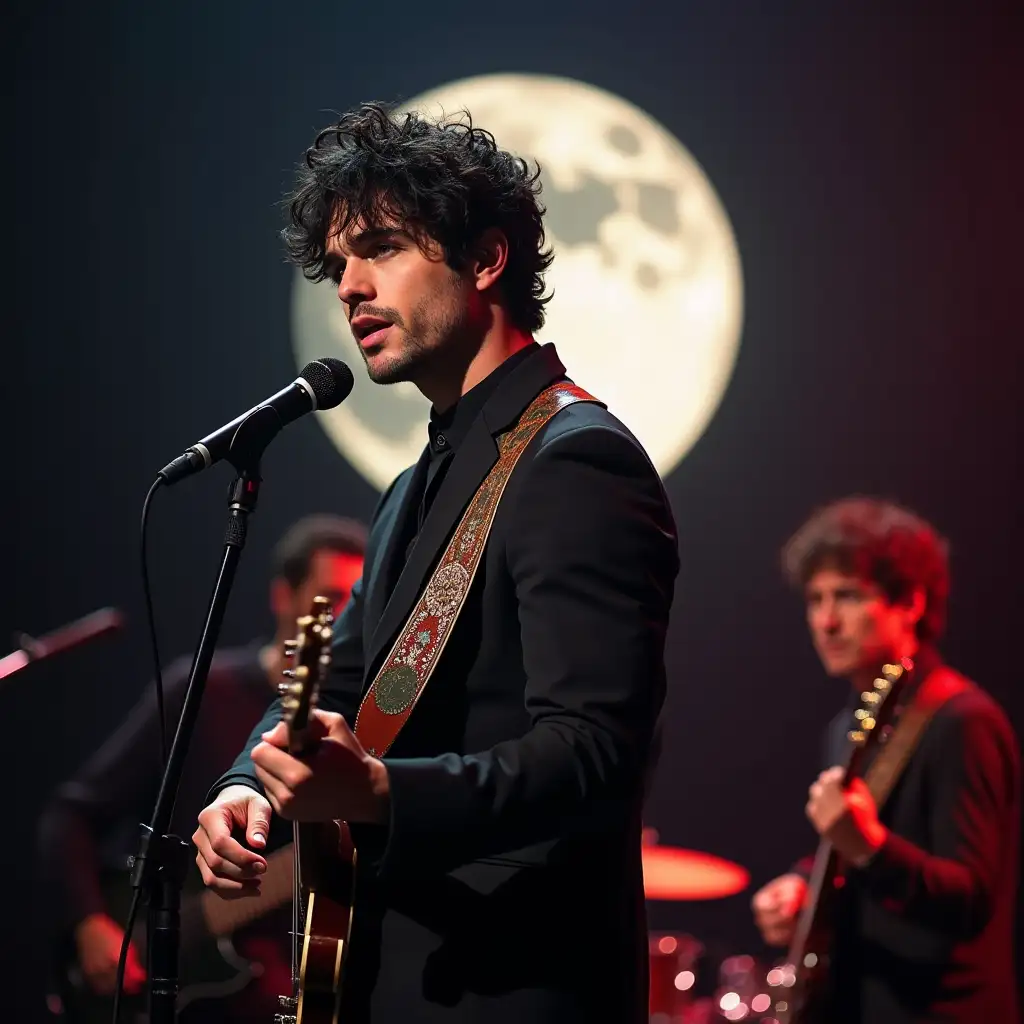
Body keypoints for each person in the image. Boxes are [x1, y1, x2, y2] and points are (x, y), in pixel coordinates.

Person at [191, 102, 679, 1024]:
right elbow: (333, 673)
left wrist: (380, 791)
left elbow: (597, 754)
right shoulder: (415, 485)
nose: (348, 286)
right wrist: (244, 786)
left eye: (379, 248)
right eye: (338, 265)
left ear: (487, 259)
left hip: (513, 986)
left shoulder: (575, 459)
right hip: (390, 978)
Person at [38, 515, 367, 1023]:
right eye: (329, 599)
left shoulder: (363, 728)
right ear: (284, 596)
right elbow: (71, 815)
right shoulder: (201, 692)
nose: (343, 619)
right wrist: (91, 922)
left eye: (356, 603)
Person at [751, 497, 1019, 1024]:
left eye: (847, 596)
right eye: (815, 599)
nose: (826, 621)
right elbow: (854, 851)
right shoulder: (845, 727)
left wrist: (871, 848)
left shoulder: (962, 721)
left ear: (911, 603)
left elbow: (970, 900)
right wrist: (803, 889)